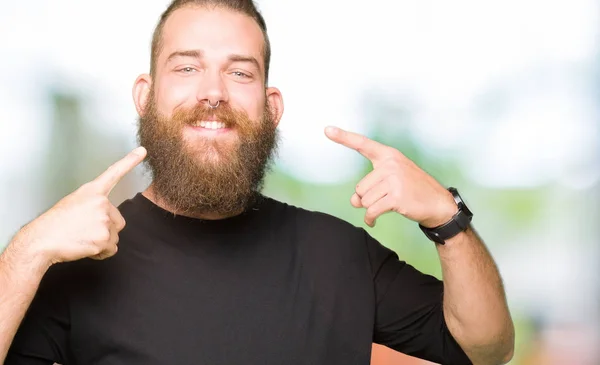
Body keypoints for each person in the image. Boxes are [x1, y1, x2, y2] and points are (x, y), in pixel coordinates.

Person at [0, 1, 515, 364]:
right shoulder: (75, 261)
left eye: (240, 73)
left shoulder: (337, 253)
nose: (213, 92)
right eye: (186, 67)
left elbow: (487, 349)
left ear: (271, 109)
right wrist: (28, 249)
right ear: (144, 95)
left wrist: (448, 219)